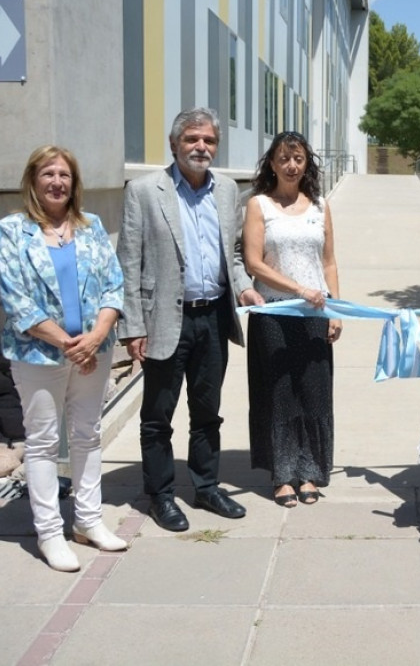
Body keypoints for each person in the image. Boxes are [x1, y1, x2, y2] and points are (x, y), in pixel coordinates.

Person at [117, 107, 262, 532]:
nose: (202, 147)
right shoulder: (144, 191)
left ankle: (206, 486)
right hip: (165, 320)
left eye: (209, 141)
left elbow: (232, 254)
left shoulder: (228, 190)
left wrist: (243, 287)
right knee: (158, 415)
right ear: (175, 144)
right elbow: (129, 262)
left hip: (214, 318)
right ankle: (160, 496)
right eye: (193, 139)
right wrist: (133, 326)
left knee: (207, 411)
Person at [0, 146, 128, 571]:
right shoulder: (11, 230)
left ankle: (88, 521)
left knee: (88, 435)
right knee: (44, 443)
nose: (57, 182)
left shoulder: (92, 227)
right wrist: (73, 345)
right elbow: (17, 302)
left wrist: (98, 336)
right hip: (38, 354)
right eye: (48, 174)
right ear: (33, 180)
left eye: (65, 175)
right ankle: (50, 533)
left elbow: (113, 286)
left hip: (95, 349)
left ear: (75, 182)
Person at [242, 131, 342, 507]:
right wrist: (299, 289)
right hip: (273, 313)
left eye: (298, 158)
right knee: (280, 393)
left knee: (314, 392)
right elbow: (253, 263)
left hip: (315, 312)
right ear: (272, 163)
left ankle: (310, 469)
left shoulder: (320, 205)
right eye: (284, 158)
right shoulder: (259, 205)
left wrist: (335, 308)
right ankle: (282, 475)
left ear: (306, 164)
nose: (291, 165)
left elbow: (329, 262)